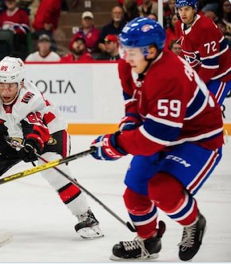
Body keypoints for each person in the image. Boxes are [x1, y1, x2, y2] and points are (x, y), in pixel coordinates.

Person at [91, 17, 224, 261]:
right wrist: (128, 125)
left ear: (151, 51)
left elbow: (156, 137)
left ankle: (193, 221)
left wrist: (116, 144)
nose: (125, 56)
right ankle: (148, 241)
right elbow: (132, 101)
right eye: (124, 49)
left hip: (198, 138)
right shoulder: (129, 65)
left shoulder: (169, 76)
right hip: (161, 131)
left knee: (162, 189)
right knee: (134, 193)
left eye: (131, 51)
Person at [0, 56, 104, 240]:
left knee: (55, 170)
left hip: (49, 132)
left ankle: (86, 216)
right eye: (2, 85)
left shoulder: (31, 99)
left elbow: (36, 127)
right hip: (12, 133)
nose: (5, 91)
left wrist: (31, 145)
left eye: (11, 86)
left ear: (21, 83)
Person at [176, 0, 231, 106]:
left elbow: (211, 66)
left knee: (209, 109)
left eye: (186, 9)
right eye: (180, 9)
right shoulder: (183, 24)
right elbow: (188, 53)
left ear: (194, 9)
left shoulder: (205, 28)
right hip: (205, 74)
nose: (183, 13)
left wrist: (195, 85)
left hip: (221, 76)